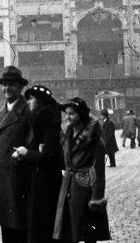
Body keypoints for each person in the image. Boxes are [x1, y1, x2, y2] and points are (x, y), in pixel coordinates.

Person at [53, 98, 111, 243]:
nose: (67, 117)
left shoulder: (95, 142)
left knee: (87, 232)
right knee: (69, 231)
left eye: (71, 113)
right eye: (66, 113)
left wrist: (96, 199)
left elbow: (98, 174)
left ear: (82, 115)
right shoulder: (67, 137)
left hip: (85, 191)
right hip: (67, 188)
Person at [0, 66, 32, 243]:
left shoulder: (27, 112)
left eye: (11, 84)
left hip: (18, 181)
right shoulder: (3, 112)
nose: (7, 88)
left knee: (20, 230)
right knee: (7, 230)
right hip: (3, 181)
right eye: (4, 84)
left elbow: (32, 145)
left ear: (20, 87)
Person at [13, 85, 63, 243]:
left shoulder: (49, 123)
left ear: (40, 101)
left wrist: (27, 153)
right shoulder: (36, 121)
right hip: (36, 180)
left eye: (32, 99)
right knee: (36, 225)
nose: (28, 102)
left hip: (46, 184)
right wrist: (23, 154)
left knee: (43, 226)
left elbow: (50, 155)